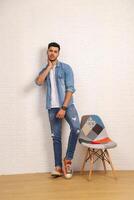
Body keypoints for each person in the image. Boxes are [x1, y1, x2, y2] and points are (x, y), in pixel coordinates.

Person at [35, 42, 80, 179]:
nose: (52, 53)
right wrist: (49, 67)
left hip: (67, 105)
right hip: (52, 107)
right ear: (47, 53)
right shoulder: (45, 69)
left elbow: (70, 89)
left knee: (76, 128)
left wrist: (64, 108)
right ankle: (58, 167)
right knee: (56, 137)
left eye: (55, 51)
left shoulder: (66, 68)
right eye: (50, 51)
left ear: (58, 53)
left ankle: (68, 160)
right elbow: (38, 82)